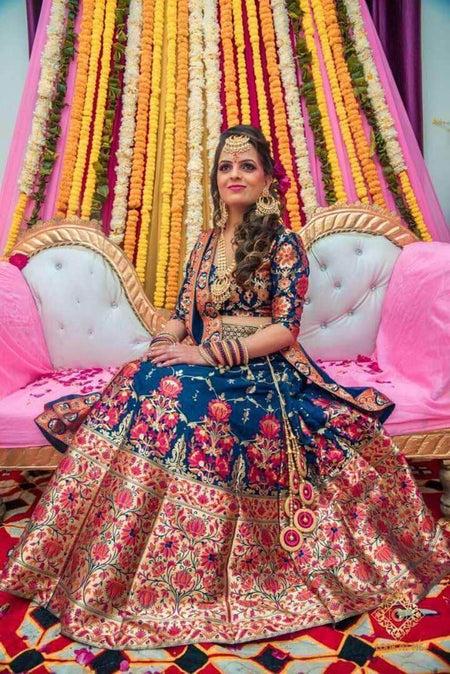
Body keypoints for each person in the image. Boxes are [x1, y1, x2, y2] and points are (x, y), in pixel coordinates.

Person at [1, 125, 449, 650]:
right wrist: (163, 342)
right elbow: (182, 315)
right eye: (226, 166)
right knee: (138, 379)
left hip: (263, 370)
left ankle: (185, 562)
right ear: (216, 178)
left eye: (247, 166)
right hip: (205, 359)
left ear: (266, 180)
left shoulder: (283, 244)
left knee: (181, 397)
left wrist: (206, 353)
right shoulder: (205, 243)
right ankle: (106, 552)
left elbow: (285, 330)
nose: (235, 174)